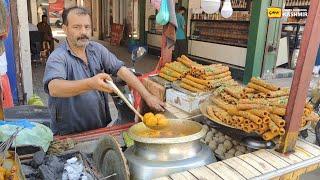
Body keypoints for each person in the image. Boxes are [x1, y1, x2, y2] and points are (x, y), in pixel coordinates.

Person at [43, 6, 165, 135]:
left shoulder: (96, 49)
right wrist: (91, 84)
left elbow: (121, 70)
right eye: (77, 27)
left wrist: (147, 96)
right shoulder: (58, 57)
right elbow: (54, 88)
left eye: (87, 27)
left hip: (99, 127)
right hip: (69, 133)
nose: (83, 32)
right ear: (65, 29)